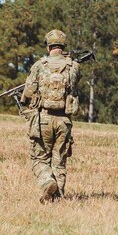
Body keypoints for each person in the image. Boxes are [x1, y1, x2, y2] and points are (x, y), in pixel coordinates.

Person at [20, 30, 82, 203]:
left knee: (39, 158)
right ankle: (57, 197)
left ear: (48, 46)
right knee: (59, 160)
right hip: (64, 121)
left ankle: (47, 180)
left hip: (44, 119)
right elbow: (75, 86)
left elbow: (28, 93)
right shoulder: (74, 66)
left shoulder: (40, 65)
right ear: (63, 46)